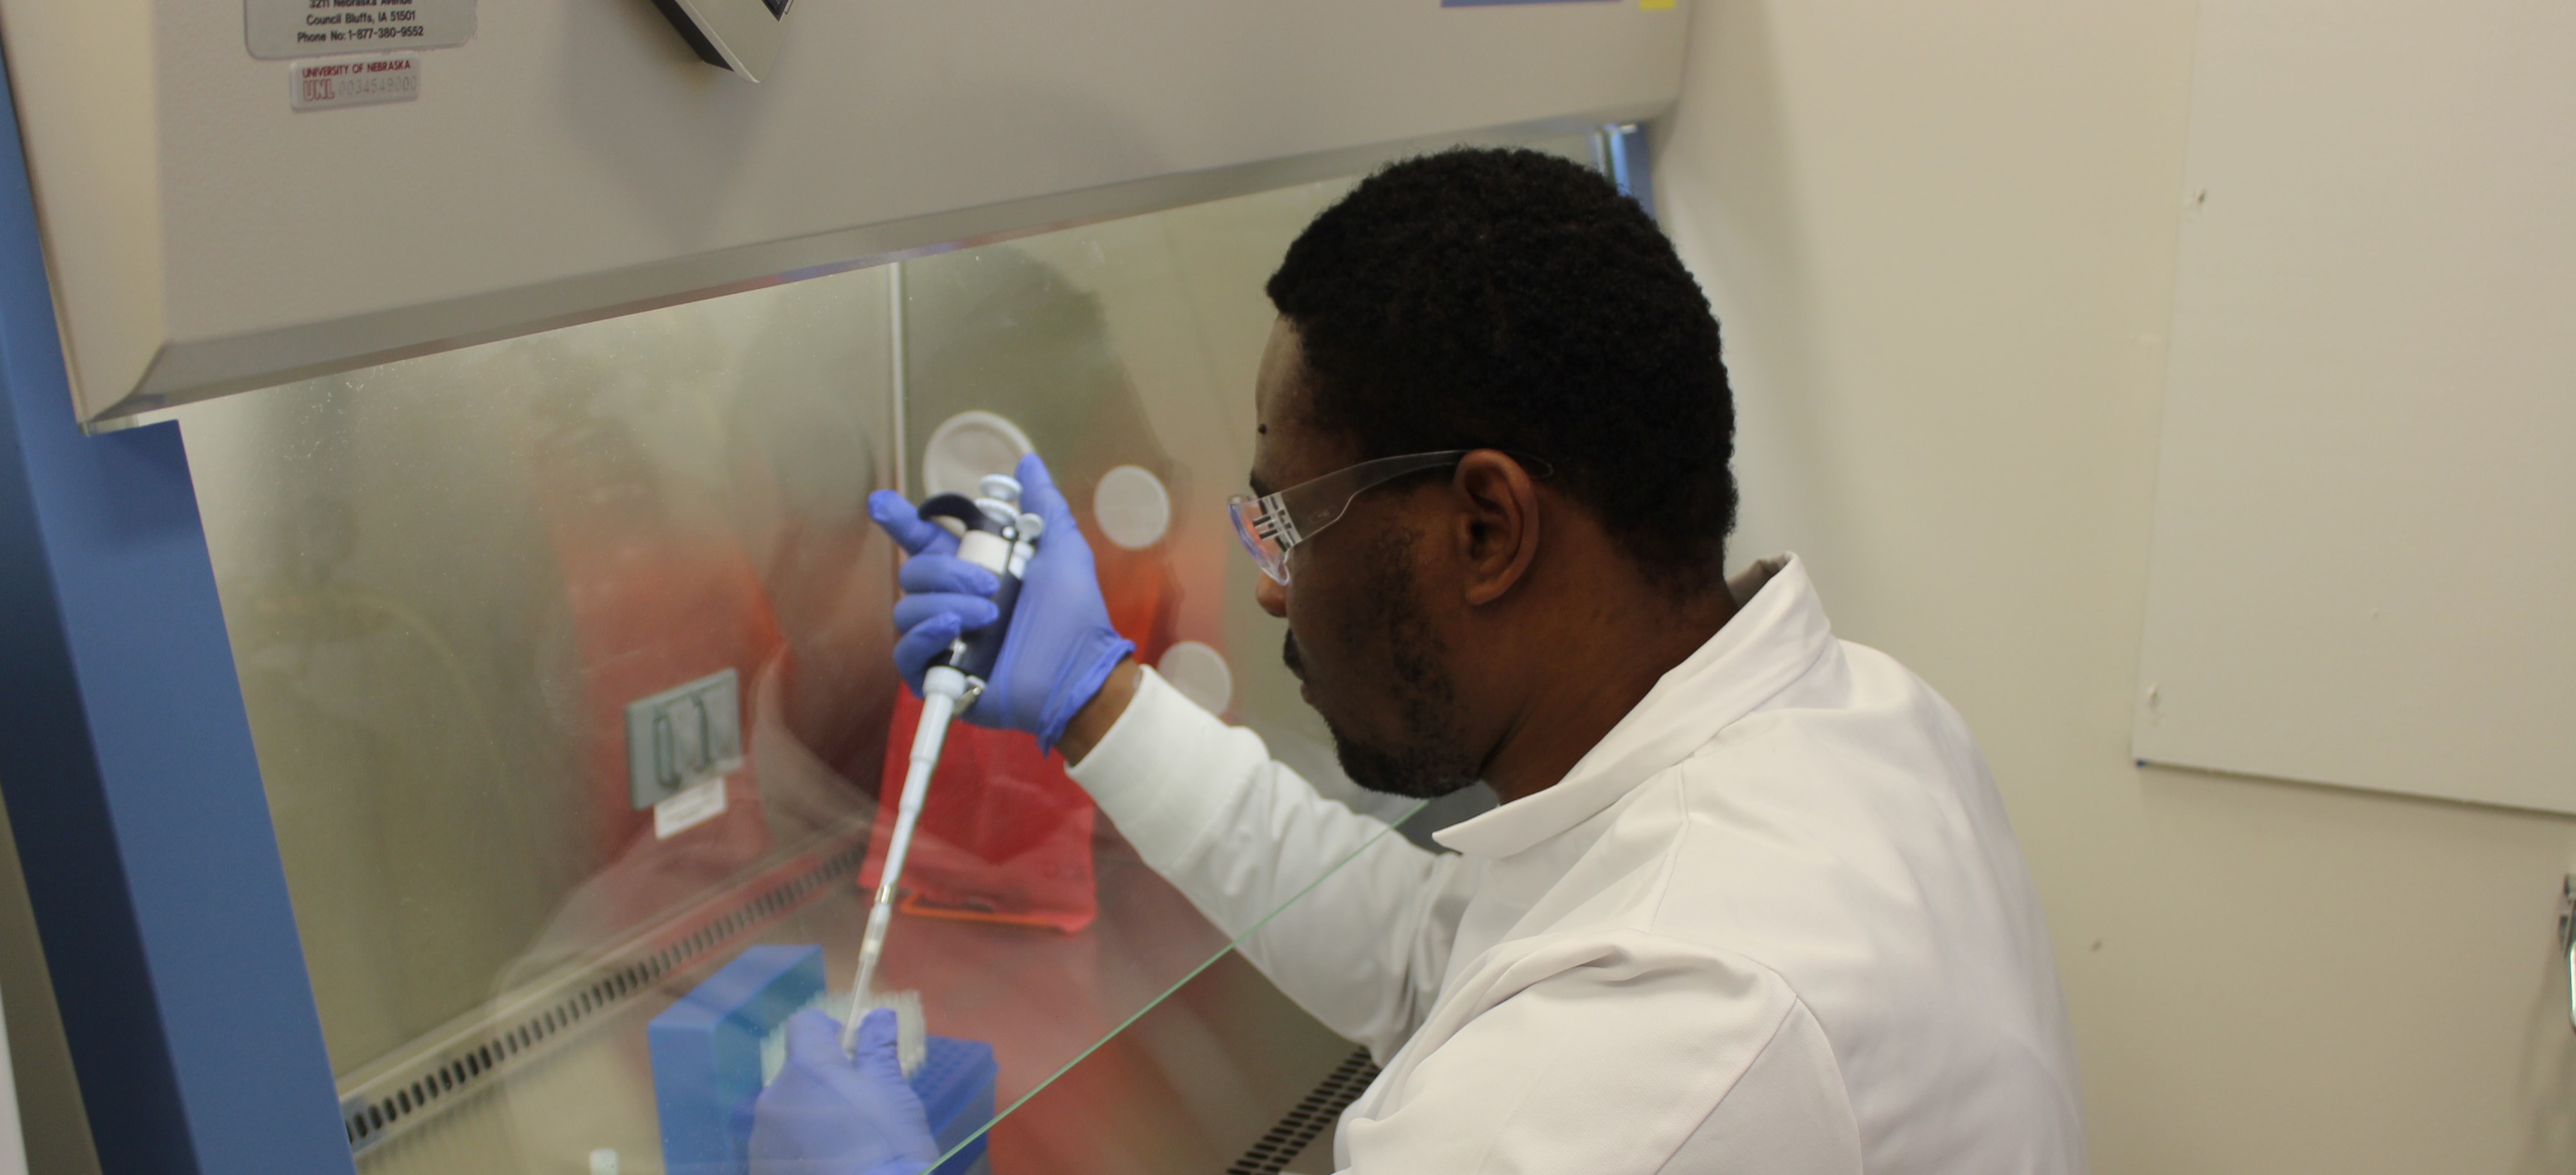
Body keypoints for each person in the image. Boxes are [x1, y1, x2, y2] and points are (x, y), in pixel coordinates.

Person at [754, 147, 2087, 1173]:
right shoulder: (1865, 723)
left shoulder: (1669, 1051)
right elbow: (1434, 963)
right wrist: (1102, 701)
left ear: (1488, 527)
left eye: (1294, 516)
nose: (1270, 581)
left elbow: (1529, 1045)